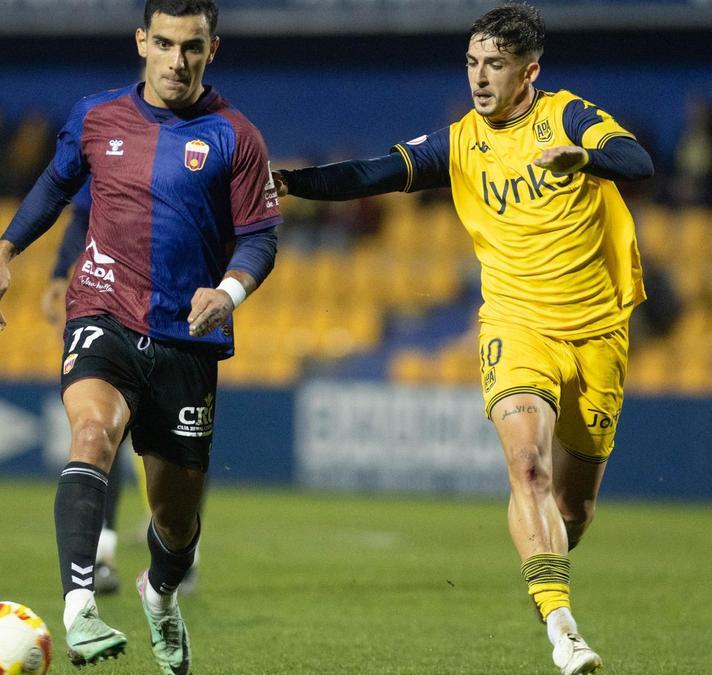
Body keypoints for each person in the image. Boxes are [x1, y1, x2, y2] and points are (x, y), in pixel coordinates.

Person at [274, 4, 652, 673]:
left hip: (598, 331)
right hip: (516, 322)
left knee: (574, 507)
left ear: (529, 71)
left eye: (496, 64)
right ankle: (564, 630)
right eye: (473, 62)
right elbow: (372, 173)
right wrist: (289, 182)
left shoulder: (565, 115)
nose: (480, 77)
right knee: (527, 468)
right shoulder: (460, 141)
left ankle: (545, 576)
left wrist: (585, 158)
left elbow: (636, 159)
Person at [0, 0, 281, 671]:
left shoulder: (237, 137)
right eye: (166, 43)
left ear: (212, 49)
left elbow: (261, 237)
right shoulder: (96, 116)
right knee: (90, 433)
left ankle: (159, 592)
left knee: (175, 525)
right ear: (142, 41)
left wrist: (226, 292)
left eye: (192, 47)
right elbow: (55, 189)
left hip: (187, 340)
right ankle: (79, 606)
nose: (177, 60)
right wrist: (5, 249)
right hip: (102, 309)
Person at [41, 179, 201, 597]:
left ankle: (180, 556)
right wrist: (60, 272)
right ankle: (101, 555)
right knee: (104, 436)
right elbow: (81, 215)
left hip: (174, 319)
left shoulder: (199, 150)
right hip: (112, 312)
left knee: (179, 452)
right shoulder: (113, 143)